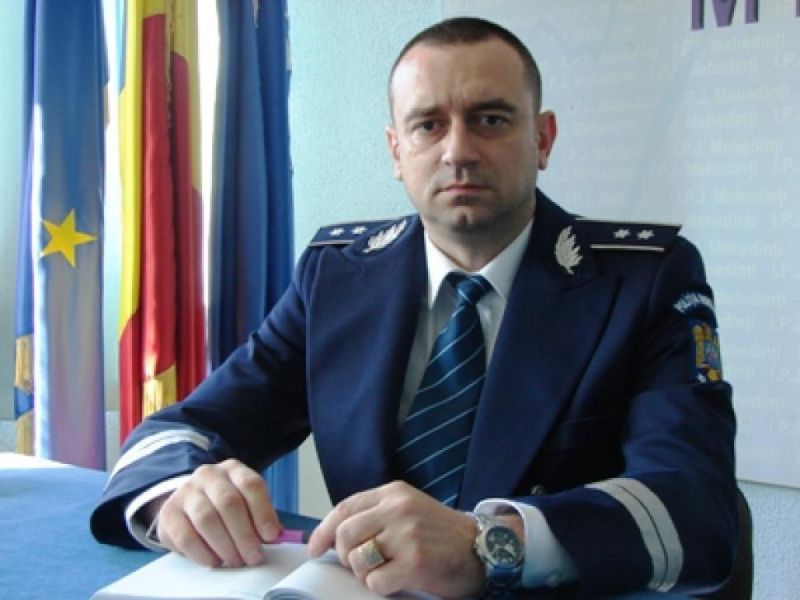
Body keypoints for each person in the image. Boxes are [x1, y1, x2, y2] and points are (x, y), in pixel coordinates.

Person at [91, 17, 738, 598]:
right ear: (397, 151)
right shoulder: (337, 278)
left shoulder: (643, 281)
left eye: (491, 119)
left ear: (542, 139)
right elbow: (187, 427)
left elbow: (696, 505)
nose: (458, 151)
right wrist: (181, 495)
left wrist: (490, 544)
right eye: (429, 125)